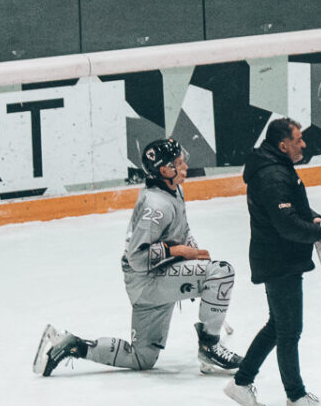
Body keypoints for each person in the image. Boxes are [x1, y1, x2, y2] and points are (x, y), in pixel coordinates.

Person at [34, 137, 242, 379]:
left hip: (153, 279)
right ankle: (210, 348)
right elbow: (137, 257)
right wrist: (179, 252)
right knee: (222, 272)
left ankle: (72, 345)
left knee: (142, 358)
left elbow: (181, 230)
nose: (185, 166)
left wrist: (194, 254)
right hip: (148, 281)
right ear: (165, 170)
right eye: (179, 163)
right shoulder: (156, 207)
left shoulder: (173, 190)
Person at [228, 118, 321, 406]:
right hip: (279, 260)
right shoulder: (272, 174)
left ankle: (241, 382)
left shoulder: (275, 167)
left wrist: (312, 216)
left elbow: (291, 206)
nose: (304, 144)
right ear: (283, 145)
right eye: (298, 140)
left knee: (278, 326)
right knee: (289, 330)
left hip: (278, 257)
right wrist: (316, 232)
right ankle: (296, 397)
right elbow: (285, 223)